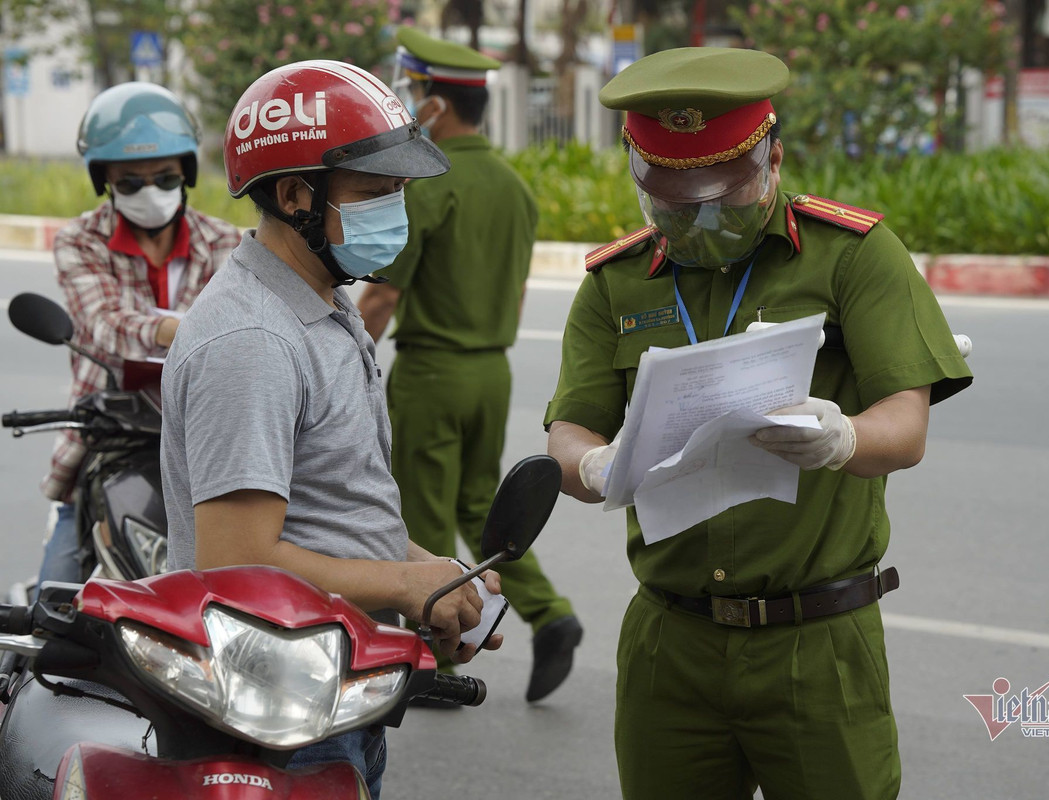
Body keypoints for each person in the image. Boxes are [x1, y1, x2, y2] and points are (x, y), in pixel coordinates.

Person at [544, 47, 973, 800]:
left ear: (773, 155)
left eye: (723, 196)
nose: (700, 219)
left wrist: (841, 438)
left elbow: (905, 428)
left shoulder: (853, 257)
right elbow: (569, 430)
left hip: (817, 644)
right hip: (668, 645)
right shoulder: (614, 282)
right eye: (673, 203)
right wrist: (590, 466)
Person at [160, 60, 500, 800]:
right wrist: (408, 583)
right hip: (276, 723)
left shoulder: (325, 300)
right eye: (377, 193)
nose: (397, 212)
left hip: (331, 693)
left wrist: (434, 575)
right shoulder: (252, 341)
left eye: (402, 191)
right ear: (293, 195)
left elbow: (332, 501)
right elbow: (236, 563)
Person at [358, 28, 582, 704]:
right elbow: (514, 296)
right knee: (482, 506)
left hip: (432, 372)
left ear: (433, 105)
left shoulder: (427, 183)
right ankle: (549, 614)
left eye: (412, 90)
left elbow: (383, 294)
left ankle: (435, 667)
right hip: (493, 371)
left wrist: (348, 365)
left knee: (423, 516)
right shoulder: (515, 188)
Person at [39, 81, 240, 586]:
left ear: (187, 173)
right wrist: (195, 330)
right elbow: (106, 324)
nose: (149, 191)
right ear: (103, 179)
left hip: (207, 438)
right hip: (111, 440)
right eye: (130, 182)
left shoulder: (226, 242)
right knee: (51, 610)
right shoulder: (80, 241)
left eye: (164, 177)